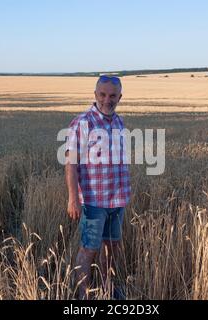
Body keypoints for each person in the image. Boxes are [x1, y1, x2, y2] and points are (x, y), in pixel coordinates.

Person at [64, 75, 131, 300]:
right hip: (94, 201)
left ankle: (107, 286)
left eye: (112, 95)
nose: (107, 100)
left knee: (112, 247)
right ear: (95, 95)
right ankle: (83, 295)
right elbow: (70, 163)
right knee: (89, 248)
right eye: (102, 94)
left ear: (120, 97)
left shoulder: (119, 122)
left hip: (117, 200)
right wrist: (73, 199)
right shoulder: (83, 123)